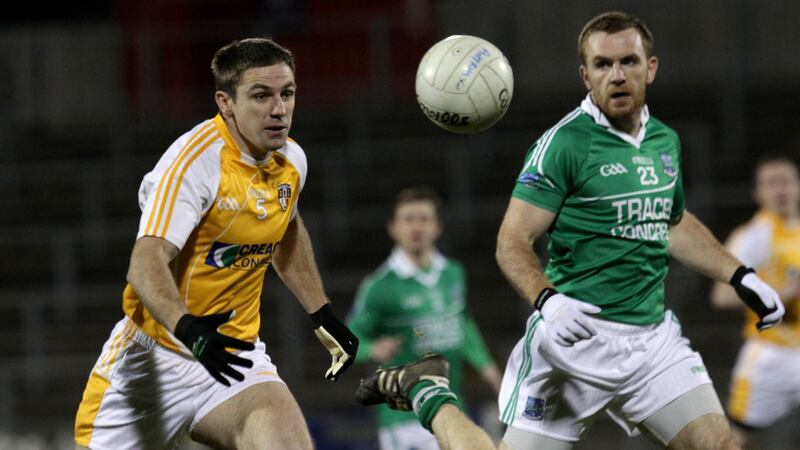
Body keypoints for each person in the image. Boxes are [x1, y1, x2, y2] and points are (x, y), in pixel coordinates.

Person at [357, 11, 786, 450]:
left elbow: (671, 222)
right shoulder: (563, 145)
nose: (616, 75)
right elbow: (511, 241)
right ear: (586, 75)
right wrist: (550, 301)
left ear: (650, 68)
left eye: (629, 62)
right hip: (572, 350)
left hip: (653, 346)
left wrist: (740, 275)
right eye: (602, 65)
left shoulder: (664, 142)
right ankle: (428, 392)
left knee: (721, 446)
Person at [73, 38, 358, 450]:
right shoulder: (195, 163)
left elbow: (285, 234)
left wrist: (322, 313)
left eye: (287, 94)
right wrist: (189, 329)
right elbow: (145, 262)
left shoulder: (291, 161)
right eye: (261, 95)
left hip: (232, 353)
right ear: (225, 102)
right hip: (150, 362)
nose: (279, 109)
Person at [347, 187, 502, 450]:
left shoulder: (453, 272)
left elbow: (461, 323)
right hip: (404, 418)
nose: (416, 227)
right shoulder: (380, 286)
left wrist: (488, 368)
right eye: (408, 219)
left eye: (424, 219)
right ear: (393, 227)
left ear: (438, 226)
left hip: (452, 408)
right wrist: (372, 348)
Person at [711, 156, 800, 447]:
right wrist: (778, 293)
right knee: (735, 440)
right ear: (757, 193)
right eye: (771, 184)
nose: (780, 190)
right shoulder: (753, 237)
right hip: (772, 354)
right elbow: (721, 296)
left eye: (785, 181)